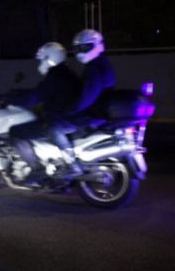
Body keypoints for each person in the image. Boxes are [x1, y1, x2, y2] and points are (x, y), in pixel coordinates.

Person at [11, 42, 82, 180]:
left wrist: (11, 99)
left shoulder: (55, 75)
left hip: (60, 120)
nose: (40, 63)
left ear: (49, 58)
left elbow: (35, 97)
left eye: (41, 59)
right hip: (69, 117)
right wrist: (19, 93)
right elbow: (40, 91)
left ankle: (36, 170)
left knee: (16, 132)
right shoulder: (65, 73)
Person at [71, 29, 116, 115]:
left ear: (97, 45)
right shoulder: (103, 63)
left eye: (85, 47)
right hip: (102, 110)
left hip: (95, 113)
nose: (80, 52)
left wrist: (74, 111)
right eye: (78, 48)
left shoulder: (94, 67)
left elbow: (89, 94)